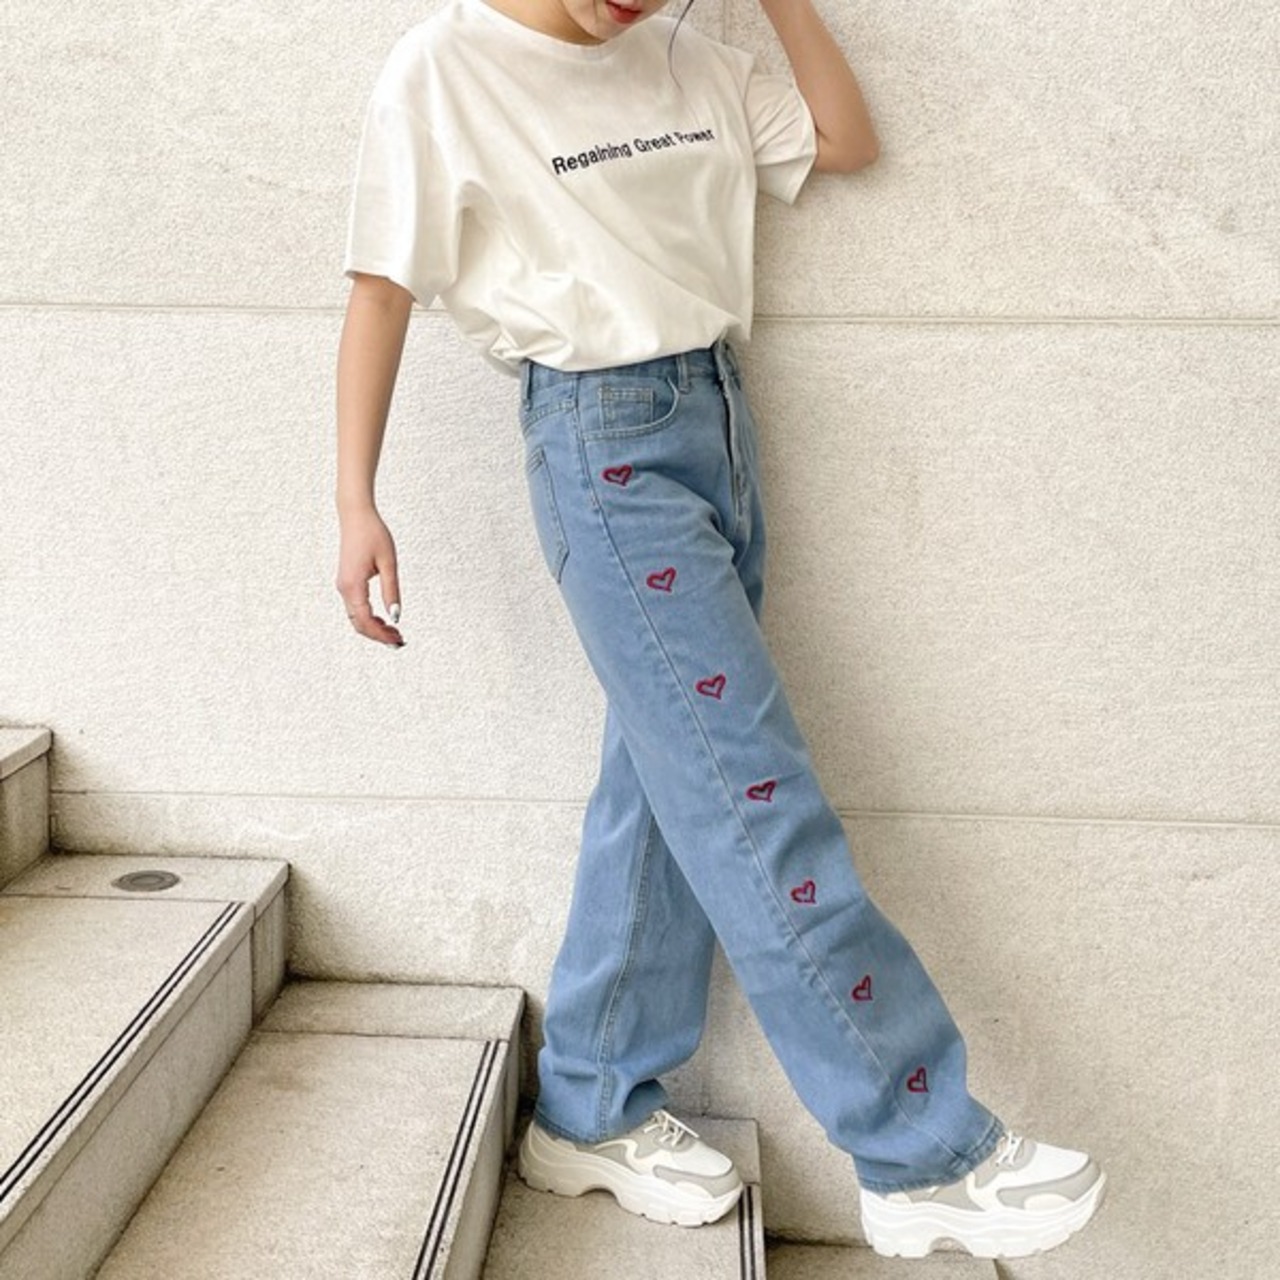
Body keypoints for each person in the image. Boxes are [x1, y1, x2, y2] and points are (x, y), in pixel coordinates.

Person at [335, 0, 1106, 1260]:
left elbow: (844, 140)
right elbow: (379, 288)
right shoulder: (446, 65)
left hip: (719, 430)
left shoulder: (689, 55)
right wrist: (354, 501)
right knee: (755, 796)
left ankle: (586, 1100)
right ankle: (918, 1145)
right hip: (602, 449)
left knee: (665, 781)